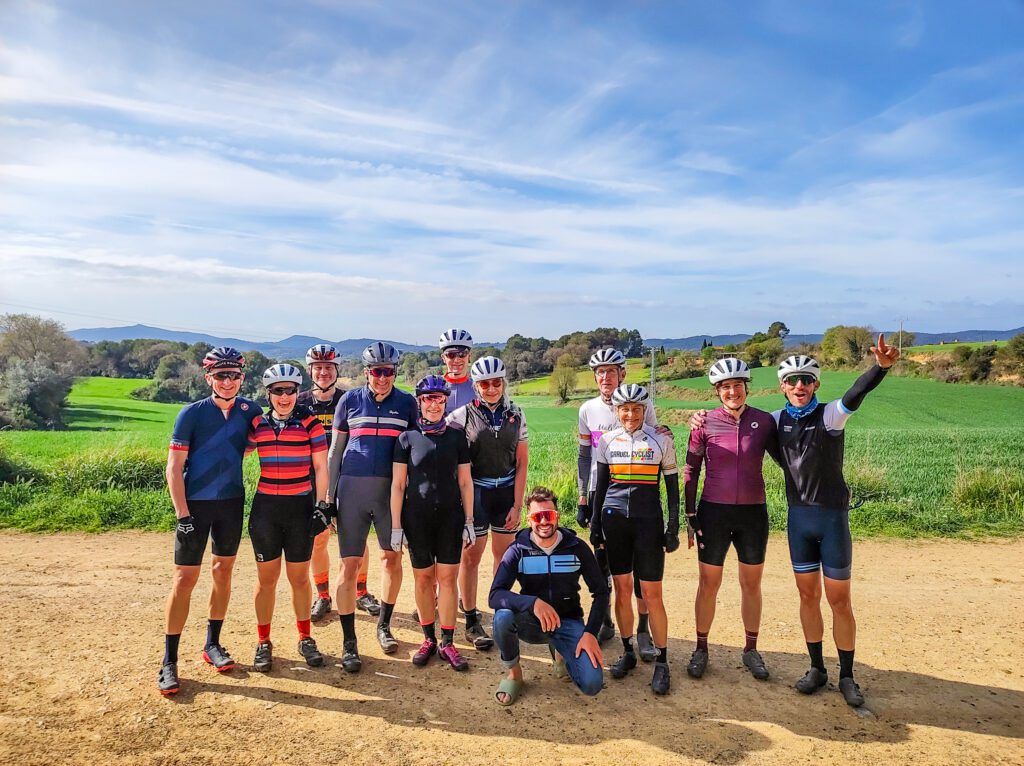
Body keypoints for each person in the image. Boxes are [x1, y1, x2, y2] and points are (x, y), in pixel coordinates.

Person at [688, 336, 900, 707]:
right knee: (787, 594)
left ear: (815, 384)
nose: (799, 387)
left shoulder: (799, 418)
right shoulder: (742, 421)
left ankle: (828, 671)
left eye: (806, 380)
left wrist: (880, 368)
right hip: (757, 514)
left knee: (826, 598)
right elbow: (711, 454)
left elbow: (849, 399)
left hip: (801, 515)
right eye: (791, 381)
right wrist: (696, 420)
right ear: (782, 386)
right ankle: (808, 667)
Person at [158, 347, 261, 695]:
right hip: (195, 506)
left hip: (231, 501)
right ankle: (169, 661)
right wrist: (182, 514)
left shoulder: (250, 410)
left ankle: (211, 644)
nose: (228, 381)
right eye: (221, 376)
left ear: (242, 378)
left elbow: (251, 445)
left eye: (234, 376)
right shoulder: (191, 414)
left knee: (222, 572)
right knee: (184, 579)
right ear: (208, 378)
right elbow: (173, 468)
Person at [682, 357, 778, 682]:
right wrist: (689, 513)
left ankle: (751, 650)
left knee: (751, 584)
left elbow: (791, 462)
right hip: (714, 513)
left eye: (737, 385)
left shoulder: (764, 422)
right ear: (717, 391)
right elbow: (691, 470)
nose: (732, 391)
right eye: (725, 387)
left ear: (746, 387)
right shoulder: (704, 423)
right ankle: (700, 648)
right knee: (709, 583)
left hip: (753, 514)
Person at [326, 342, 418, 672]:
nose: (383, 378)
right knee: (348, 566)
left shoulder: (407, 403)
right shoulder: (349, 401)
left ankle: (384, 626)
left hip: (389, 494)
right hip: (351, 490)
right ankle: (349, 642)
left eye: (389, 372)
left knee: (391, 558)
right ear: (366, 373)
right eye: (377, 372)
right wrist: (328, 498)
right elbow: (335, 453)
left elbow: (414, 455)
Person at [590, 383, 680, 695]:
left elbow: (672, 489)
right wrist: (594, 526)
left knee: (652, 593)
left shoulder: (661, 440)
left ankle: (663, 661)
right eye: (624, 409)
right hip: (614, 523)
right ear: (616, 411)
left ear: (645, 411)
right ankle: (627, 651)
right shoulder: (606, 441)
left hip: (649, 523)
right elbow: (600, 488)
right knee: (623, 590)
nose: (630, 414)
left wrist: (673, 528)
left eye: (636, 409)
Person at [245, 364, 333, 671]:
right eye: (278, 391)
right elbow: (237, 452)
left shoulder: (310, 423)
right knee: (266, 580)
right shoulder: (257, 423)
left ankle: (305, 638)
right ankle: (263, 641)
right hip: (266, 509)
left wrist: (322, 505)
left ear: (298, 392)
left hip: (300, 508)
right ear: (268, 393)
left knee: (298, 579)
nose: (285, 397)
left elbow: (322, 467)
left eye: (291, 391)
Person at [576, 347, 663, 656]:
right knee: (604, 566)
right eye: (600, 372)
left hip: (635, 497)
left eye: (611, 371)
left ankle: (642, 629)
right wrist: (582, 496)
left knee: (639, 570)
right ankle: (608, 621)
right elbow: (585, 455)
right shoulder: (587, 409)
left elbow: (654, 436)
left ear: (622, 374)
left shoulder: (641, 402)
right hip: (603, 497)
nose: (605, 377)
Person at [489, 486, 607, 705]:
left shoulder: (577, 548)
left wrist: (590, 633)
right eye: (538, 516)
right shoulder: (517, 550)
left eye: (549, 515)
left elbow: (600, 592)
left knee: (592, 685)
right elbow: (495, 595)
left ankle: (561, 653)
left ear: (558, 516)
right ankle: (514, 674)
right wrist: (532, 603)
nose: (544, 522)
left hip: (568, 622)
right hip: (532, 623)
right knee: (502, 616)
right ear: (529, 519)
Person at [389, 375, 475, 670]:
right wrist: (397, 527)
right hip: (417, 519)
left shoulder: (456, 436)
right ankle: (428, 639)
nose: (434, 404)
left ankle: (448, 643)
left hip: (450, 517)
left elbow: (465, 482)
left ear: (445, 401)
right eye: (428, 398)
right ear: (419, 402)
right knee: (424, 579)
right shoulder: (406, 438)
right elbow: (398, 485)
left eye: (439, 398)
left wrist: (469, 521)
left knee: (448, 579)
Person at [446, 356, 529, 651]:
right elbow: (450, 457)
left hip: (505, 492)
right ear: (475, 385)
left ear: (503, 382)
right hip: (477, 493)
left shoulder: (517, 414)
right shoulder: (460, 416)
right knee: (471, 557)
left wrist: (518, 505)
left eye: (496, 382)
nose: (491, 388)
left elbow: (521, 464)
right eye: (484, 383)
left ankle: (501, 615)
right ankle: (470, 618)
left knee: (503, 557)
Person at [296, 344, 380, 621]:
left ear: (336, 371)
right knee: (319, 539)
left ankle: (361, 592)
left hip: (346, 479)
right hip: (309, 480)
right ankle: (323, 595)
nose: (323, 372)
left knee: (356, 540)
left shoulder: (349, 400)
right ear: (310, 371)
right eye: (318, 367)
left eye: (328, 368)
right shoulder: (299, 402)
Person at [438, 329, 476, 414]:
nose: (457, 360)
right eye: (451, 355)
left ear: (469, 356)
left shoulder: (479, 389)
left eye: (462, 354)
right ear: (443, 358)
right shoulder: (430, 388)